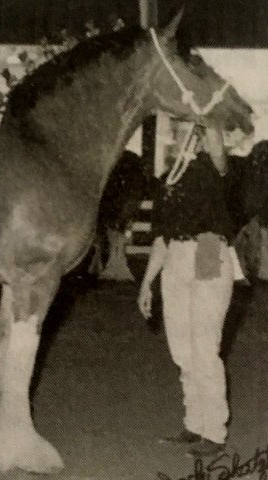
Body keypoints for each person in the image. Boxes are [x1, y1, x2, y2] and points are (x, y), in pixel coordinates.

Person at [138, 126, 236, 457]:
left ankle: (215, 432)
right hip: (175, 256)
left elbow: (218, 150)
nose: (184, 137)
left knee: (204, 346)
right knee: (182, 349)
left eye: (191, 132)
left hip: (208, 246)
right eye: (178, 132)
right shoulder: (167, 178)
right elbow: (161, 238)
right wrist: (147, 281)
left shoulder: (213, 166)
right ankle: (194, 424)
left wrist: (206, 118)